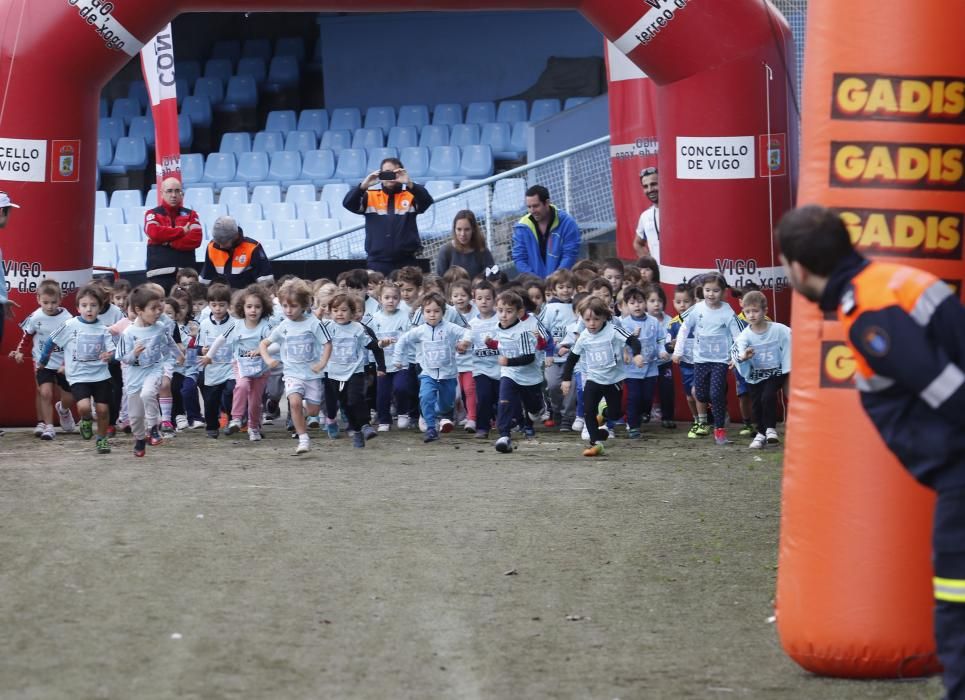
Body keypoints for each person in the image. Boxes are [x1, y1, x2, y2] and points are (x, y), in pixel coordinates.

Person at [777, 204, 965, 699]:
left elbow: (946, 389)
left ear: (798, 268)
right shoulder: (895, 279)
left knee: (956, 598)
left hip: (960, 476)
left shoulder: (867, 313)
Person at [561, 296, 645, 457]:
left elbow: (633, 340)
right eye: (587, 320)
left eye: (596, 319)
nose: (592, 324)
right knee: (588, 410)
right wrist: (566, 380)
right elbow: (572, 358)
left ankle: (604, 416)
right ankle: (596, 443)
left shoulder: (613, 330)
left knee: (615, 414)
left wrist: (637, 354)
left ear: (605, 317)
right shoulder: (584, 336)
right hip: (593, 378)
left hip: (614, 379)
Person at [39, 284, 117, 454]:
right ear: (77, 307)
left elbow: (113, 351)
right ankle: (86, 419)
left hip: (101, 376)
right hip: (78, 376)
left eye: (93, 305)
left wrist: (108, 356)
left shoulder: (103, 329)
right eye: (84, 305)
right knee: (84, 407)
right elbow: (50, 341)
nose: (89, 309)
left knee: (103, 410)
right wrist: (43, 360)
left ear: (100, 307)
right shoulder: (70, 325)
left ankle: (102, 439)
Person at [260, 280, 332, 455]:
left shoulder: (314, 323)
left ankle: (305, 412)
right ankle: (303, 439)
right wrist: (268, 359)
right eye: (284, 306)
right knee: (294, 402)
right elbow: (264, 343)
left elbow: (327, 344)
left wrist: (322, 363)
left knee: (313, 410)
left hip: (312, 374)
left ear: (304, 305)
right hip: (292, 374)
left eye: (293, 306)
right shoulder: (283, 326)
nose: (288, 310)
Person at [671, 272, 741, 445]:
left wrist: (736, 356)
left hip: (720, 360)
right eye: (708, 290)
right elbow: (684, 329)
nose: (711, 294)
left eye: (716, 290)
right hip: (700, 359)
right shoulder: (697, 309)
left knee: (716, 393)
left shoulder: (727, 311)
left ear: (723, 292)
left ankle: (719, 431)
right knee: (701, 394)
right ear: (702, 290)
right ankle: (716, 408)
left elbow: (738, 335)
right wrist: (678, 351)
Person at [393, 292, 471, 443]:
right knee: (425, 397)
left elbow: (468, 331)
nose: (432, 315)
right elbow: (403, 340)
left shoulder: (450, 328)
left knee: (446, 403)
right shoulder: (420, 330)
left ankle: (439, 412)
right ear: (422, 313)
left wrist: (465, 342)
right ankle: (430, 428)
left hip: (448, 375)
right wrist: (397, 359)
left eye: (436, 311)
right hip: (428, 373)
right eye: (428, 312)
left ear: (443, 312)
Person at [115, 285, 183, 457]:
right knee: (136, 416)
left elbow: (169, 343)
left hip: (154, 369)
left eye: (159, 308)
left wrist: (179, 355)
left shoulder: (160, 327)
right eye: (153, 309)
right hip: (134, 375)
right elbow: (122, 357)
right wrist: (134, 354)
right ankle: (139, 438)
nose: (158, 312)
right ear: (139, 310)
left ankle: (154, 427)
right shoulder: (129, 333)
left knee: (148, 394)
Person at [342, 156, 434, 275]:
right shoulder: (369, 196)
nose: (389, 177)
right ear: (380, 175)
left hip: (406, 262)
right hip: (377, 262)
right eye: (386, 173)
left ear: (401, 173)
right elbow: (348, 203)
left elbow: (426, 201)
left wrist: (410, 183)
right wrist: (363, 186)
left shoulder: (410, 195)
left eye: (393, 173)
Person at [9, 279, 76, 439]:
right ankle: (48, 426)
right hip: (42, 362)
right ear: (38, 299)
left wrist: (68, 362)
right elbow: (27, 336)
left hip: (62, 363)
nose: (50, 306)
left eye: (54, 302)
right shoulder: (34, 317)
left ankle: (63, 410)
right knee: (45, 393)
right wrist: (19, 351)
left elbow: (74, 340)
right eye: (45, 302)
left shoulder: (68, 318)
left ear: (60, 299)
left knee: (69, 397)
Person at [732, 290, 790, 449]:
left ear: (765, 311)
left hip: (775, 372)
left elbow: (791, 339)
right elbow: (738, 349)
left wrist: (788, 367)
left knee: (767, 396)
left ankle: (771, 429)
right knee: (756, 404)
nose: (751, 315)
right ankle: (761, 433)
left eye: (755, 311)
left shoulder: (779, 330)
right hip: (754, 375)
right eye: (747, 311)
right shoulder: (745, 335)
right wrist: (743, 357)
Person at [144, 178, 203, 293]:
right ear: (161, 193)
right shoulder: (152, 214)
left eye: (177, 191)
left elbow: (195, 239)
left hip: (186, 277)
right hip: (158, 275)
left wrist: (167, 241)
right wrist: (181, 231)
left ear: (182, 194)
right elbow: (154, 233)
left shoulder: (191, 214)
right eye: (169, 191)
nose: (174, 195)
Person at [511, 185, 581, 278]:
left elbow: (569, 255)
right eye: (529, 207)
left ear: (547, 202)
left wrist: (554, 278)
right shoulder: (522, 226)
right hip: (534, 285)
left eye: (535, 206)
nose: (532, 211)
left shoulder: (567, 223)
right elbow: (519, 259)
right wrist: (535, 281)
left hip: (561, 284)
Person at [199, 216, 274, 289]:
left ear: (235, 236)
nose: (220, 246)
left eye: (224, 242)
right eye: (218, 242)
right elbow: (206, 279)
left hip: (247, 297)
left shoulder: (253, 247)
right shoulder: (211, 247)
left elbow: (266, 281)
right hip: (222, 297)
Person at [435, 210, 495, 279]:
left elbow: (492, 280)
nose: (462, 234)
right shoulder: (446, 251)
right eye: (459, 229)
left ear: (473, 229)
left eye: (467, 229)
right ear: (454, 229)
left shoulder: (482, 251)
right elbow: (440, 281)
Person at [633, 167, 660, 261]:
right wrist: (651, 265)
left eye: (654, 184)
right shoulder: (645, 216)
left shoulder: (677, 211)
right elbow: (638, 243)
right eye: (645, 186)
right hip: (659, 275)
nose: (650, 189)